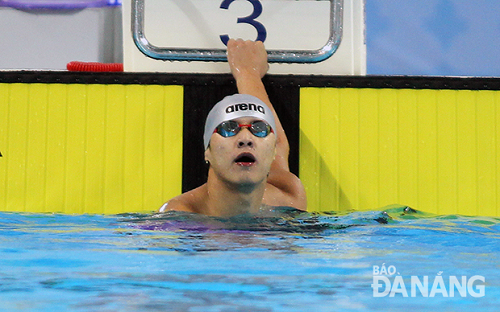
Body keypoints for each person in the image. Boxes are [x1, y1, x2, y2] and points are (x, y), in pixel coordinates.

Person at [160, 39, 307, 217]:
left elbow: (278, 142)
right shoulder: (178, 218)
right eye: (228, 129)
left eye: (258, 129)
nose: (246, 138)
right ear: (207, 151)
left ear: (273, 151)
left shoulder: (289, 197)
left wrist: (247, 73)